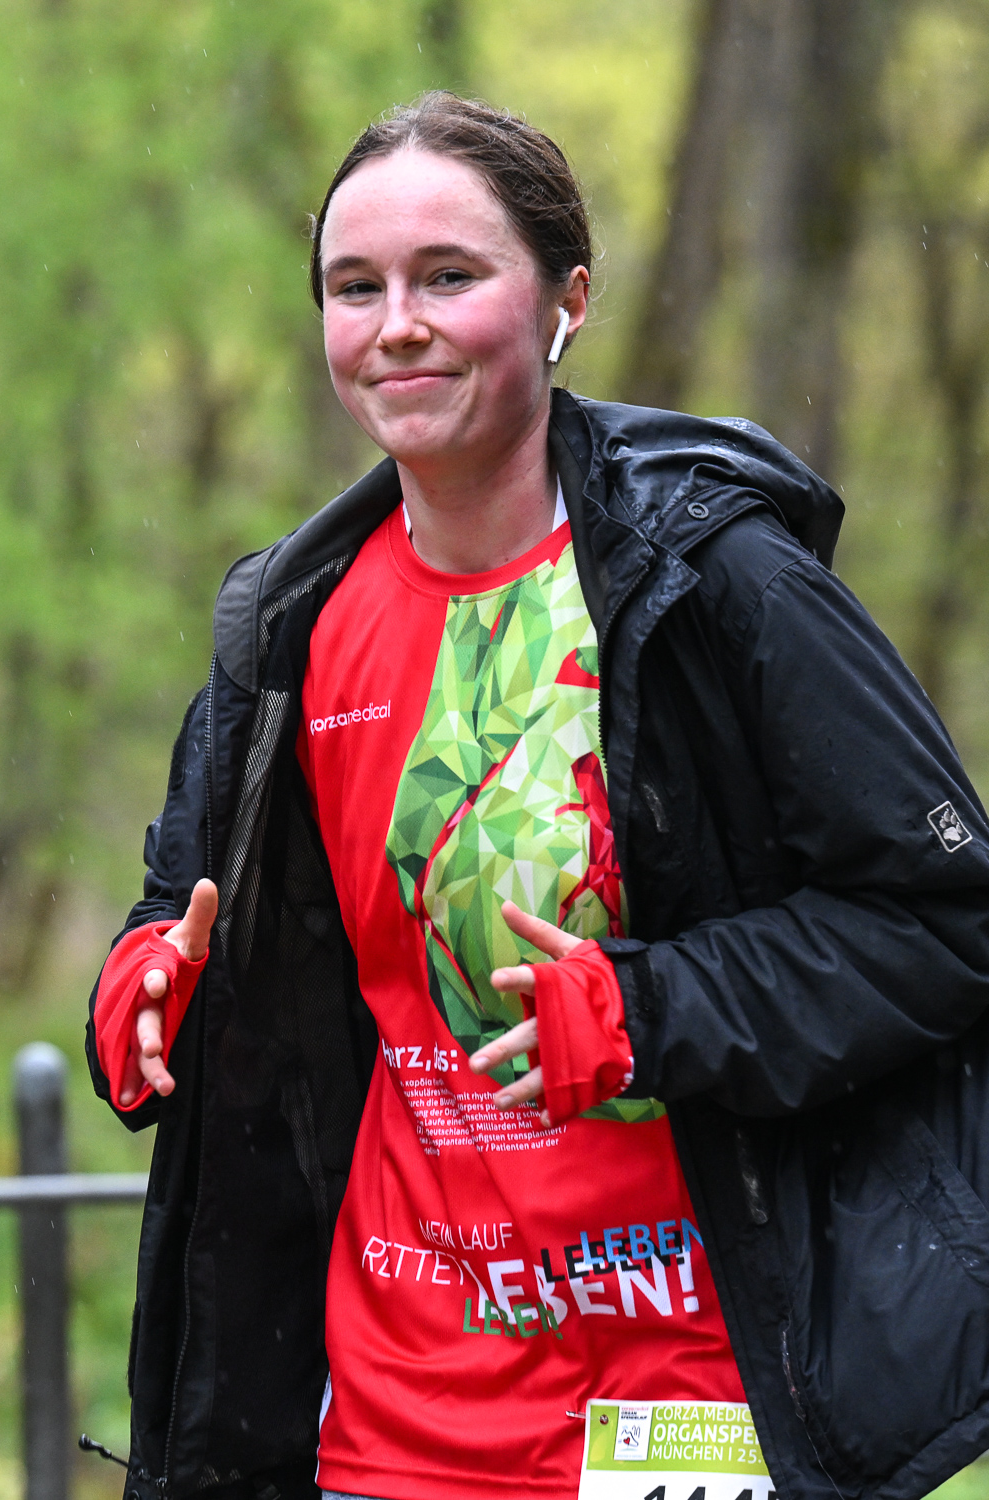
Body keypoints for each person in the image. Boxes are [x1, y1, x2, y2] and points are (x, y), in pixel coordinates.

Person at [87, 92, 989, 1500]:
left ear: (567, 300)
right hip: (390, 1419)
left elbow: (941, 923)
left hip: (688, 1399)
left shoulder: (717, 585)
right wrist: (144, 989)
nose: (398, 324)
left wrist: (649, 1009)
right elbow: (184, 904)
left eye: (449, 276)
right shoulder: (291, 624)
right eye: (355, 287)